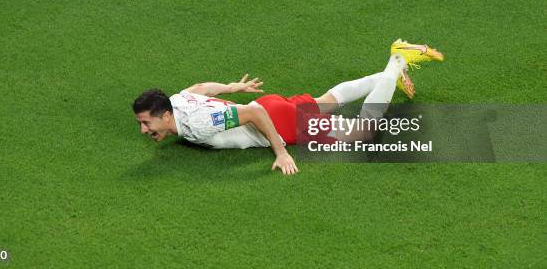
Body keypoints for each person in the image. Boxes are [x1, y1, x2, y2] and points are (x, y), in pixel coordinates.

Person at [132, 39, 444, 175]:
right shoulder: (176, 100)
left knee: (361, 134)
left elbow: (254, 115)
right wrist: (233, 88)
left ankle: (397, 60)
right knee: (324, 103)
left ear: (167, 116)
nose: (144, 130)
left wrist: (280, 151)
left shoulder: (198, 124)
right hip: (270, 105)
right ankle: (389, 74)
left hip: (274, 120)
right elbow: (199, 88)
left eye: (147, 123)